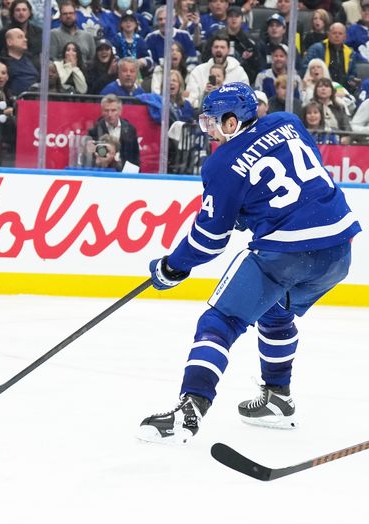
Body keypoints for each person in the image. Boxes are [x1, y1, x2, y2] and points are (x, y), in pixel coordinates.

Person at [138, 82, 361, 445]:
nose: (208, 130)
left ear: (231, 121)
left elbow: (208, 240)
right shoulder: (287, 121)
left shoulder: (222, 163)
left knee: (220, 320)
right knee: (274, 311)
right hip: (339, 249)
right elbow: (307, 174)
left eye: (213, 122)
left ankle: (189, 410)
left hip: (286, 252)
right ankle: (277, 398)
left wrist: (172, 266)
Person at [185, 34, 249, 109]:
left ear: (228, 50)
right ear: (212, 49)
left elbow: (245, 97)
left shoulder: (239, 72)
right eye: (216, 47)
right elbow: (191, 99)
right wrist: (205, 94)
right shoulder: (198, 71)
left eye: (222, 47)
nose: (219, 50)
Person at [86, 94, 139, 169]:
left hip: (125, 174)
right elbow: (89, 160)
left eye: (113, 110)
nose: (110, 114)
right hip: (103, 172)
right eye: (106, 110)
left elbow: (135, 157)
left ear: (120, 111)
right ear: (102, 111)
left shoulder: (130, 129)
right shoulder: (94, 130)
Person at [2, 27, 40, 95]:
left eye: (25, 37)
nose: (25, 40)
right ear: (9, 42)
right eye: (20, 37)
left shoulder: (33, 60)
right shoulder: (3, 62)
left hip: (35, 98)